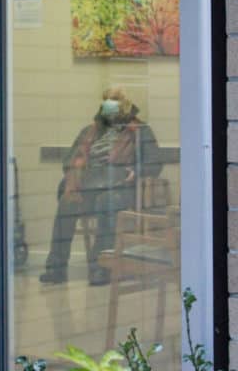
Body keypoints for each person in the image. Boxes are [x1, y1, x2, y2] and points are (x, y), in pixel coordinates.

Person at [39, 87, 160, 286]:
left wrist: (136, 171)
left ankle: (100, 268)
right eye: (107, 101)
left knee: (108, 202)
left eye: (115, 101)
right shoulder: (89, 131)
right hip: (88, 185)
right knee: (67, 203)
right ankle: (56, 268)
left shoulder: (140, 131)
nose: (110, 105)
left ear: (125, 105)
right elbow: (69, 160)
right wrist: (74, 174)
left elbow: (155, 161)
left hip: (121, 186)